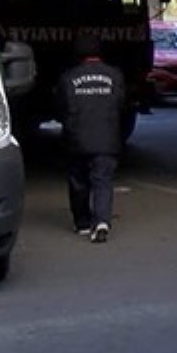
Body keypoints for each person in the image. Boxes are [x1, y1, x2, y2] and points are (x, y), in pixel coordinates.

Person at [57, 34, 127, 243]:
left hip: (77, 139)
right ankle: (102, 221)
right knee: (102, 181)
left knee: (78, 181)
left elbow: (60, 107)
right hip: (107, 139)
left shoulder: (68, 78)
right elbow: (121, 105)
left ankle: (82, 222)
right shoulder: (115, 76)